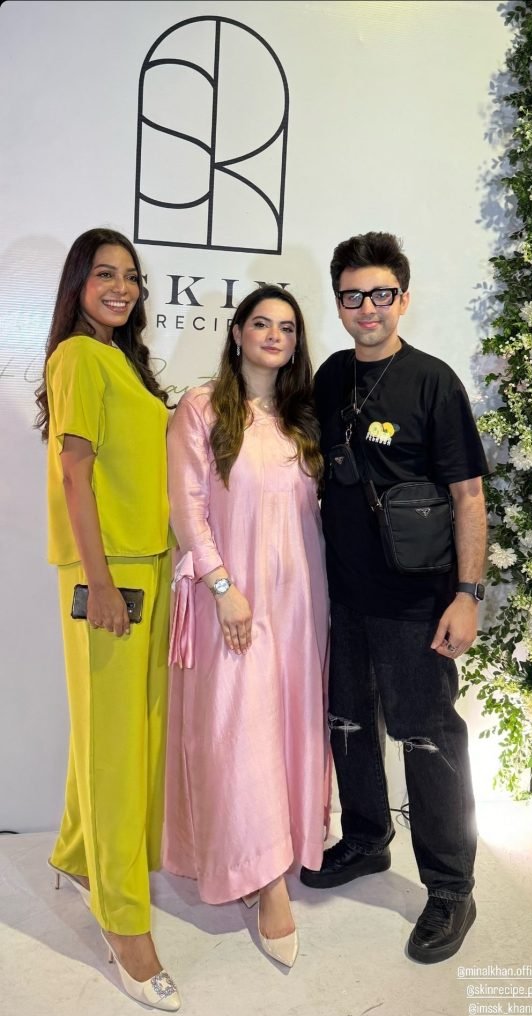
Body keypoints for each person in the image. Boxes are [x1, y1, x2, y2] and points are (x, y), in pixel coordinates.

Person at [300, 232, 488, 965]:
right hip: (342, 595)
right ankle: (366, 839)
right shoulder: (330, 377)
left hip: (417, 601)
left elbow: (468, 496)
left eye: (381, 293)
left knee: (426, 737)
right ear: (339, 302)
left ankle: (450, 886)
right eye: (352, 296)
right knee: (348, 724)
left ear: (402, 299)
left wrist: (467, 593)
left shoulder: (433, 382)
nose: (367, 307)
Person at [163, 284, 330, 969]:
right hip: (232, 603)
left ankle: (281, 851)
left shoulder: (304, 417)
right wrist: (223, 587)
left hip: (301, 604)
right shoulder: (201, 408)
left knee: (287, 728)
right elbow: (187, 507)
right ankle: (263, 883)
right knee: (240, 737)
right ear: (236, 333)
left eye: (286, 327)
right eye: (260, 323)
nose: (273, 335)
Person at [35, 227, 181, 1011]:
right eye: (104, 275)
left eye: (130, 276)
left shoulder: (116, 357)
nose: (121, 287)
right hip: (111, 571)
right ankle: (124, 921)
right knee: (118, 749)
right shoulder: (76, 357)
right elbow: (74, 471)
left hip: (146, 561)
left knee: (118, 734)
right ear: (78, 285)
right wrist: (98, 582)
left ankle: (74, 851)